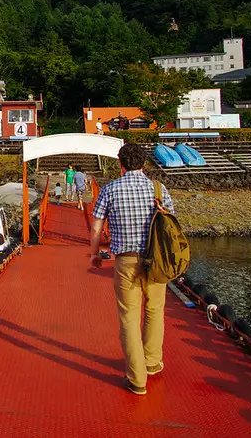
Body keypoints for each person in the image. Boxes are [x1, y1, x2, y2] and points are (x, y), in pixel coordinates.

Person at [88, 143, 174, 396]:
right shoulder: (158, 189)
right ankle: (152, 362)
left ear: (120, 163)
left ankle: (137, 379)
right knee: (155, 310)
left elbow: (96, 227)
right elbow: (170, 220)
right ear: (144, 163)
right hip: (156, 259)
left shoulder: (110, 190)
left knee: (129, 316)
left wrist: (94, 255)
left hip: (126, 260)